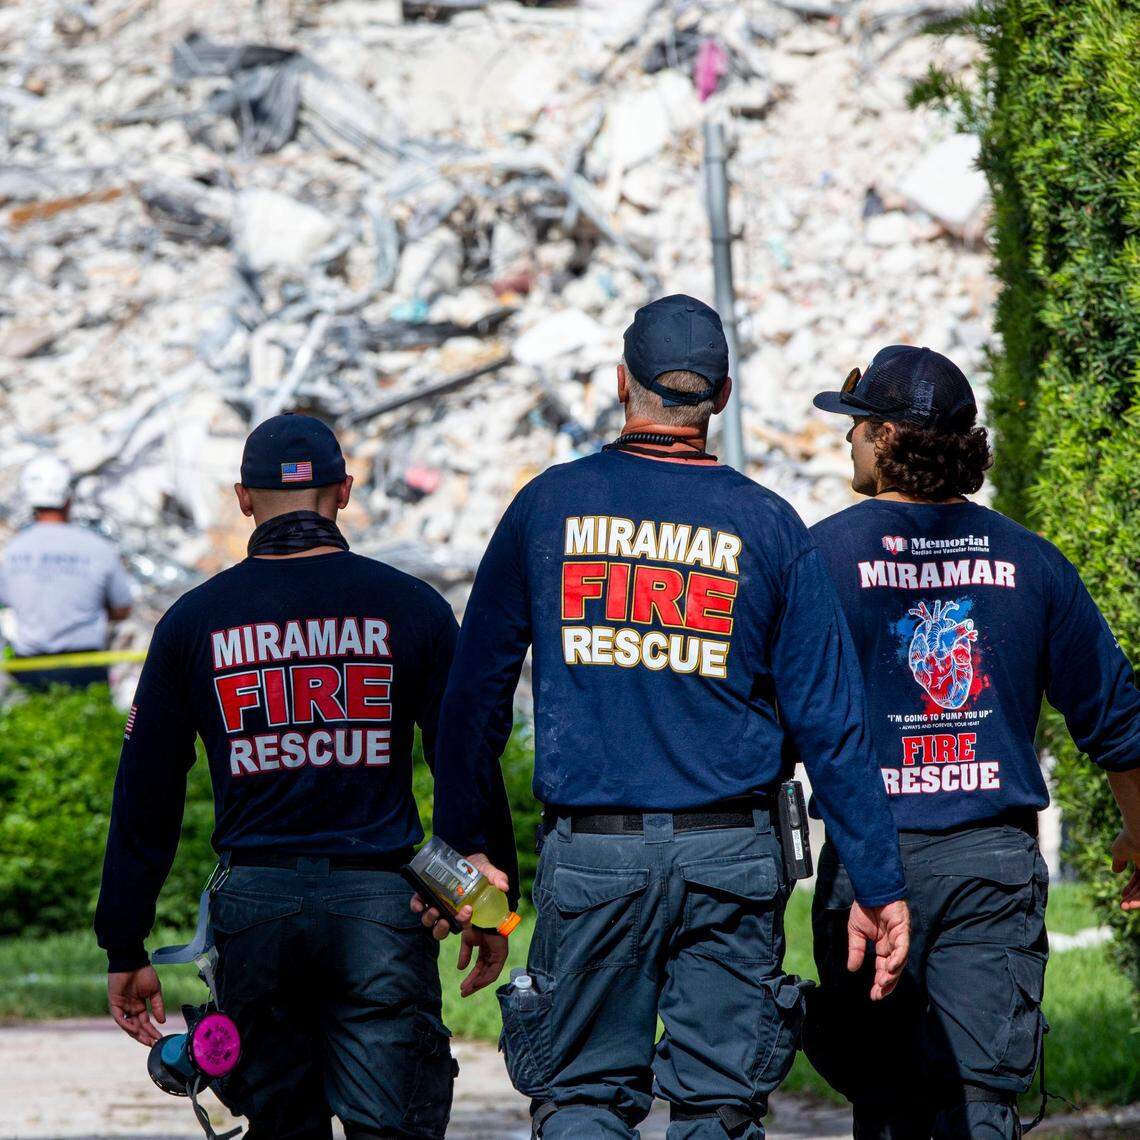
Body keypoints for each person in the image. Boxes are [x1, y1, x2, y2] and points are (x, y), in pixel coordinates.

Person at [417, 295, 911, 1140]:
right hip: (734, 859)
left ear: (622, 385)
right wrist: (878, 880)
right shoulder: (768, 525)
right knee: (718, 1107)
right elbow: (832, 723)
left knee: (579, 1099)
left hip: (594, 857)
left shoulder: (549, 508)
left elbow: (472, 701)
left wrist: (474, 851)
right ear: (720, 398)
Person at [94, 413, 517, 1140]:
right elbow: (465, 759)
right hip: (385, 905)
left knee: (280, 1129)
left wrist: (125, 944)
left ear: (243, 499)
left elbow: (146, 795)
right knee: (396, 1127)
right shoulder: (411, 608)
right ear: (345, 493)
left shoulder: (195, 622)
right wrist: (482, 903)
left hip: (256, 909)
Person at [804, 346, 1140, 1139]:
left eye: (855, 427)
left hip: (870, 863)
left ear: (885, 437)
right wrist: (1138, 832)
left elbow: (766, 713)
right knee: (982, 1107)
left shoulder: (819, 557)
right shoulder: (1033, 563)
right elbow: (1118, 723)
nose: (845, 441)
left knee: (887, 1104)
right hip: (992, 866)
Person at [0, 454, 133, 689]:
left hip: (28, 671)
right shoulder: (97, 547)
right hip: (86, 669)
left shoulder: (13, 551)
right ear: (68, 499)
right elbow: (122, 608)